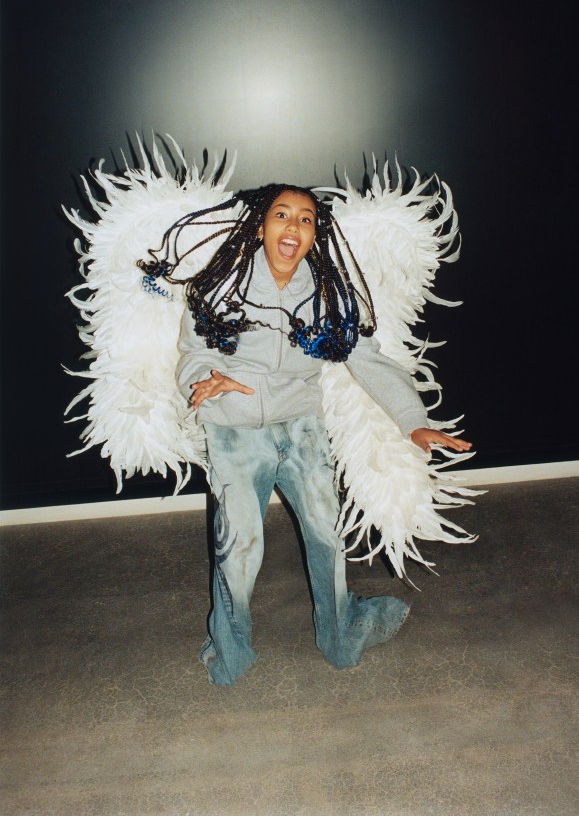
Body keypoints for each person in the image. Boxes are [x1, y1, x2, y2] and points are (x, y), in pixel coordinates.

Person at [140, 183, 471, 686]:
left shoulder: (328, 295)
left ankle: (340, 637)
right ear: (259, 225)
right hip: (234, 429)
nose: (293, 226)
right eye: (281, 215)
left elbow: (368, 359)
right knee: (239, 547)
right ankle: (230, 653)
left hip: (301, 429)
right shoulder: (217, 287)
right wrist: (206, 382)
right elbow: (194, 354)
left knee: (326, 537)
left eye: (306, 219)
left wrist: (414, 421)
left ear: (315, 236)